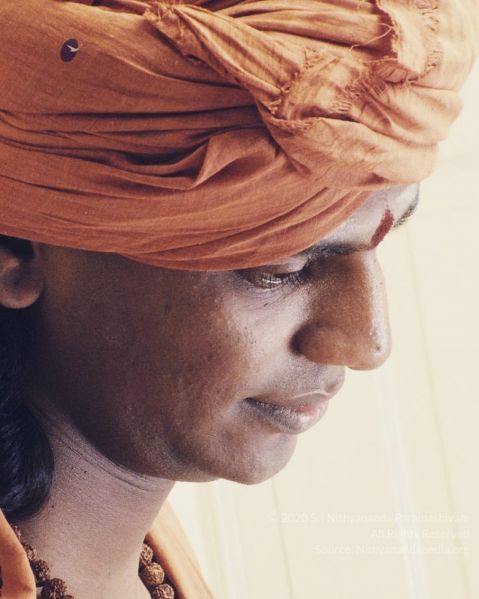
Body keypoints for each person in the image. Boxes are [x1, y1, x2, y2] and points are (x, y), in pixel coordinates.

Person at [0, 1, 477, 598]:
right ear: (18, 253)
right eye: (281, 268)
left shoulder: (148, 560)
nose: (368, 344)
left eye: (381, 244)